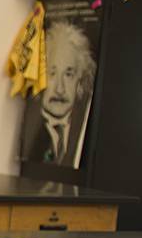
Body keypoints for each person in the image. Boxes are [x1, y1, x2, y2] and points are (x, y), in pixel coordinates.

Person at [21, 21, 96, 166]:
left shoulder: (86, 125)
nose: (60, 89)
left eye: (69, 74)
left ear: (79, 81)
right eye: (52, 73)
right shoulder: (24, 127)